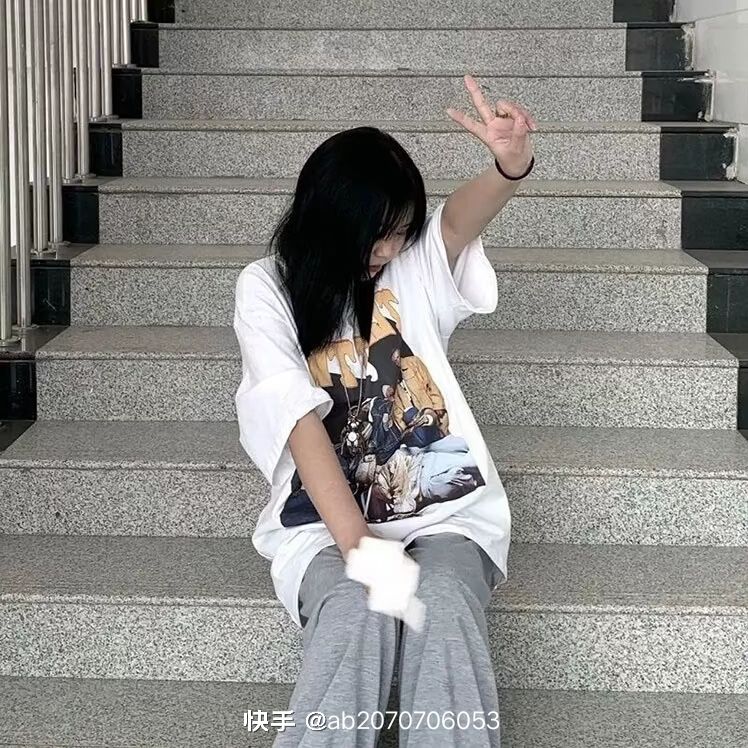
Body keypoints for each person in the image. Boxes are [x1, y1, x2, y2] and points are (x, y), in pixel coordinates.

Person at [233, 73, 536, 747]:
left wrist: (508, 166)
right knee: (354, 610)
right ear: (329, 221)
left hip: (445, 510)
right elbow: (298, 422)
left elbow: (458, 220)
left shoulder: (411, 268)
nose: (389, 251)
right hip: (324, 523)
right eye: (376, 236)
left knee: (445, 603)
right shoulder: (268, 287)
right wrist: (362, 550)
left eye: (400, 233)